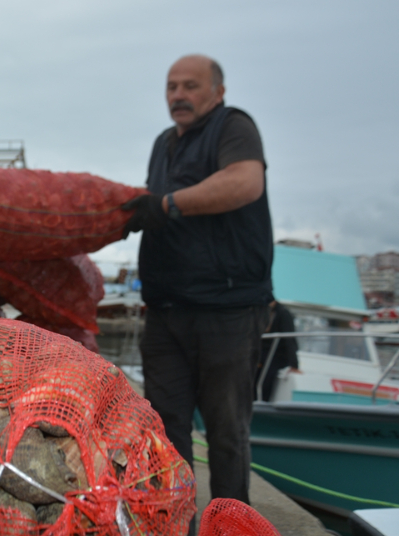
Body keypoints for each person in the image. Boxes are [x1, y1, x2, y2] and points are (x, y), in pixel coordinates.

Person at [123, 54, 273, 507]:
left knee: (227, 434)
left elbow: (245, 182)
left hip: (227, 311)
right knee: (165, 432)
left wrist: (167, 205)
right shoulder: (163, 143)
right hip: (167, 312)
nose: (178, 96)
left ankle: (230, 522)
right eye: (172, 87)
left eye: (190, 86)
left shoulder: (233, 127)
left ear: (218, 92)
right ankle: (174, 522)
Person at [257, 300, 300, 402]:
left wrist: (294, 364)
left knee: (266, 379)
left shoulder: (283, 313)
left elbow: (289, 339)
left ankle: (263, 401)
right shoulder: (261, 310)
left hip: (277, 354)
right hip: (262, 351)